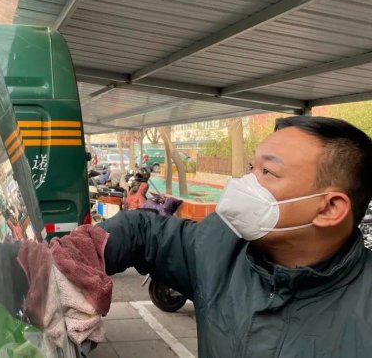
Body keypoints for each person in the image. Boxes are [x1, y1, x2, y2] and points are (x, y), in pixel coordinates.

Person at [99, 116, 372, 357]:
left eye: (267, 172)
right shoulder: (221, 245)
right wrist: (87, 250)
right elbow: (144, 232)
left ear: (329, 208)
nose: (244, 183)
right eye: (251, 167)